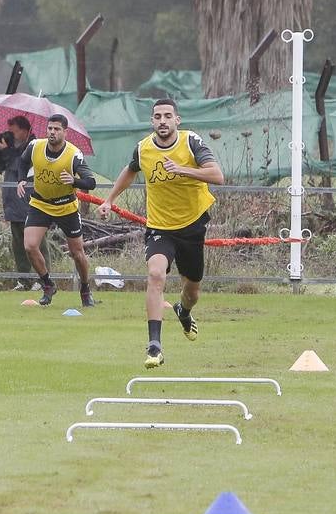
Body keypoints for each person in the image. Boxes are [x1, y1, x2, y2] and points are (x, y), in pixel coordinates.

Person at [98, 99, 224, 368]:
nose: (163, 121)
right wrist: (109, 199)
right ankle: (154, 345)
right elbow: (130, 171)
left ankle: (183, 311)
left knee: (192, 291)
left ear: (177, 120)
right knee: (155, 274)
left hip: (192, 226)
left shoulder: (191, 142)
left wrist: (183, 170)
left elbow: (217, 175)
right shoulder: (144, 148)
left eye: (168, 116)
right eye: (157, 116)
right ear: (152, 122)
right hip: (159, 227)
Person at [16, 114, 97, 308]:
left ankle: (85, 288)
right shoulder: (35, 146)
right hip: (40, 204)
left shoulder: (73, 154)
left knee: (77, 253)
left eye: (57, 129)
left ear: (65, 132)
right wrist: (22, 179)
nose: (52, 132)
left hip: (66, 207)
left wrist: (74, 181)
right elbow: (22, 161)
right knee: (29, 246)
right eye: (50, 128)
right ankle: (48, 284)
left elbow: (91, 182)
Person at [0, 115, 35, 291]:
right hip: (12, 201)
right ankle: (24, 280)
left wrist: (7, 151)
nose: (12, 134)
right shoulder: (12, 147)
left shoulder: (34, 145)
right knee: (17, 242)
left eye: (14, 131)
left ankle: (42, 280)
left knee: (35, 243)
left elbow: (20, 167)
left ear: (24, 130)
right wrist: (0, 150)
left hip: (28, 201)